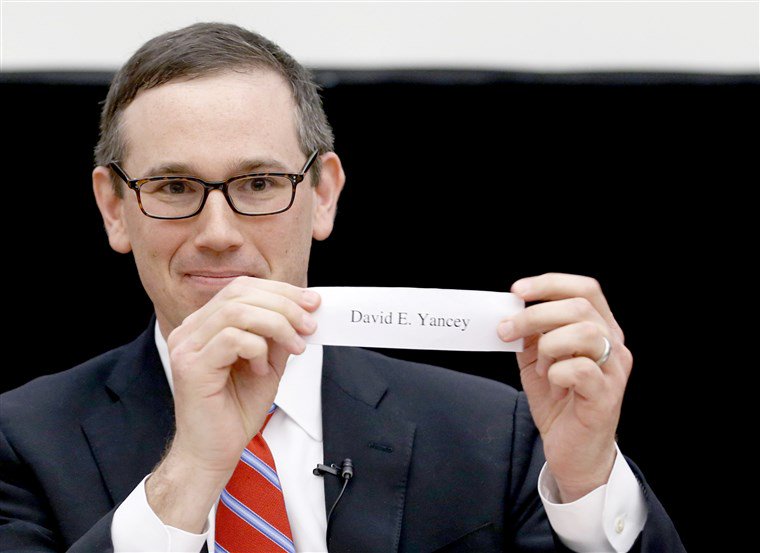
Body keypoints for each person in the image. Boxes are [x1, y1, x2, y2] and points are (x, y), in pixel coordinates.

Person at [0, 22, 685, 553]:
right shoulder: (22, 440)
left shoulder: (492, 433)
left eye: (259, 183)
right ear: (115, 208)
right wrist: (188, 475)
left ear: (323, 194)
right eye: (174, 187)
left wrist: (588, 482)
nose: (217, 232)